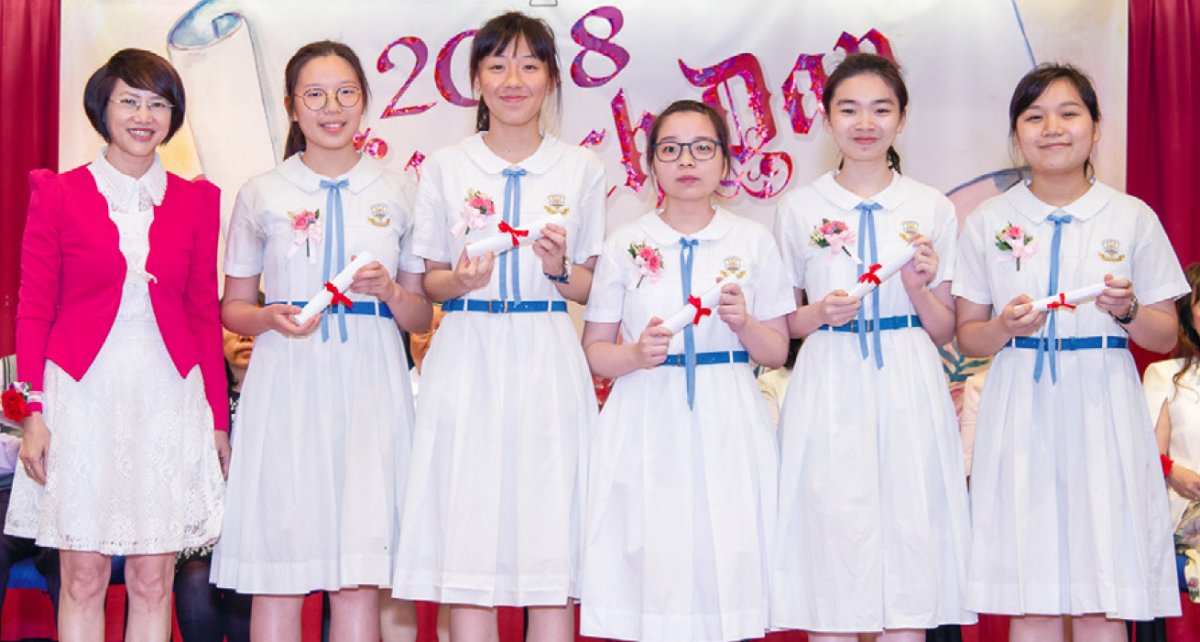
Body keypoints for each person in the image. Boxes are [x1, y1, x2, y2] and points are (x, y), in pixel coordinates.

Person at [391, 11, 604, 642]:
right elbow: (428, 282)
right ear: (476, 80)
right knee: (469, 529)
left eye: (529, 66)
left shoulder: (581, 168)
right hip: (467, 350)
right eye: (498, 65)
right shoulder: (446, 167)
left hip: (546, 349)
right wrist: (460, 281)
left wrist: (558, 268)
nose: (514, 80)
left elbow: (593, 287)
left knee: (549, 536)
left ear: (552, 80)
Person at [955, 63, 1186, 641]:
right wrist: (1004, 327)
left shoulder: (1132, 216)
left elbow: (1165, 335)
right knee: (1029, 592)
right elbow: (968, 336)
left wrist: (1127, 311)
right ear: (1016, 133)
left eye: (1068, 113)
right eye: (1034, 117)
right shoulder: (989, 220)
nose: (1052, 128)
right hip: (1020, 399)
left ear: (1096, 127)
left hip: (1103, 400)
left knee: (1101, 592)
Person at [3, 48, 226, 640]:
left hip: (168, 395)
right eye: (130, 101)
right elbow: (33, 311)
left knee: (154, 579)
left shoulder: (197, 201)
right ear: (102, 107)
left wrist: (216, 420)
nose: (143, 116)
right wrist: (32, 411)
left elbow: (204, 315)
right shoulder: (57, 192)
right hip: (81, 395)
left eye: (158, 104)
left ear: (173, 116)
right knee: (82, 576)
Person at [212, 40, 431, 642]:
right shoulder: (262, 192)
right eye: (314, 95)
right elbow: (233, 307)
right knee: (278, 571)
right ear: (291, 106)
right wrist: (268, 317)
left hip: (370, 384)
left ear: (364, 102)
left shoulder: (398, 189)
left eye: (345, 93)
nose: (331, 108)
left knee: (359, 576)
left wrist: (390, 290)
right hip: (287, 380)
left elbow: (418, 316)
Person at [772, 53, 973, 640]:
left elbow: (945, 329)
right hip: (829, 375)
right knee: (828, 529)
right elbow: (782, 325)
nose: (865, 123)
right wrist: (819, 313)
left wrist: (917, 289)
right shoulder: (798, 208)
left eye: (881, 109)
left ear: (902, 119)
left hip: (908, 374)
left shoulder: (931, 207)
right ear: (826, 119)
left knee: (910, 528)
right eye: (849, 109)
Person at [577, 99, 791, 642]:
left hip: (728, 415)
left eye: (702, 148)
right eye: (670, 150)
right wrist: (634, 354)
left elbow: (776, 351)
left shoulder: (753, 241)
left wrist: (745, 324)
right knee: (652, 554)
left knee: (729, 553)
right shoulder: (625, 243)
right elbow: (595, 349)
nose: (686, 161)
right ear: (651, 164)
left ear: (725, 161)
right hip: (646, 412)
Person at [173, 326, 257, 642]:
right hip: (203, 526)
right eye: (233, 330)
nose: (245, 337)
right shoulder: (199, 402)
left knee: (242, 580)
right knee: (194, 579)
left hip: (255, 531)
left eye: (251, 330)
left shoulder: (279, 401)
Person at [1144, 263, 1200, 563]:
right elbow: (1147, 452)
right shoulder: (1165, 375)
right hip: (1188, 518)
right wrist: (1173, 472)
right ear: (1188, 316)